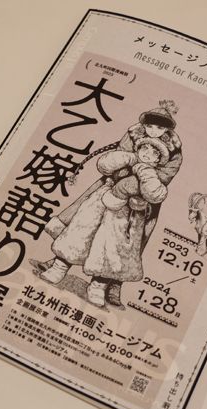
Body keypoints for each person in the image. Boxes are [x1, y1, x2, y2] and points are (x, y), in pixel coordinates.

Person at [40, 100, 183, 307]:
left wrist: (136, 183)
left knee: (117, 244)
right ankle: (60, 265)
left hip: (139, 202)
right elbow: (114, 162)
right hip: (109, 188)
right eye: (150, 126)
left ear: (167, 129)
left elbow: (163, 179)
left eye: (160, 128)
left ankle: (102, 284)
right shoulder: (133, 134)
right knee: (84, 227)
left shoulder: (173, 150)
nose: (153, 131)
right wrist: (125, 169)